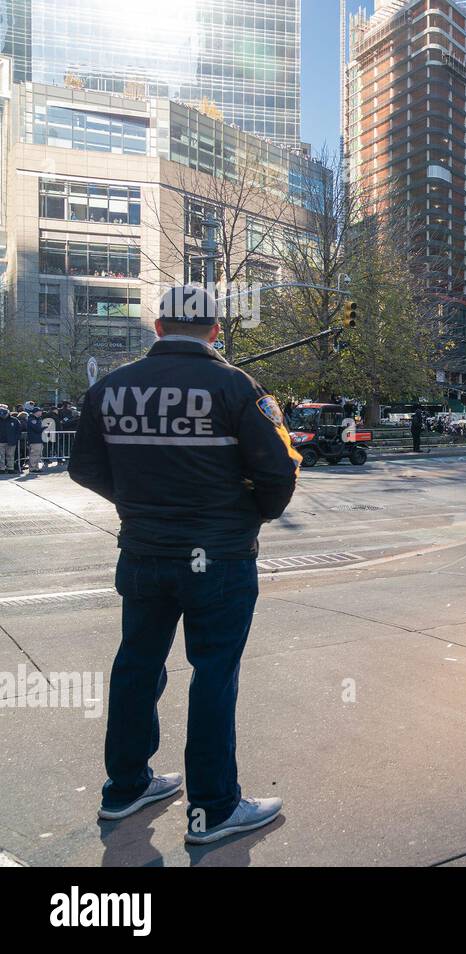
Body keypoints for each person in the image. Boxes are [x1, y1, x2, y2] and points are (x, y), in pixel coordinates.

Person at [68, 283, 301, 845]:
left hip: (144, 551)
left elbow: (83, 469)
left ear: (158, 327)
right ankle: (214, 809)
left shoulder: (109, 388)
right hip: (218, 556)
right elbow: (278, 472)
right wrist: (246, 518)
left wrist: (138, 505)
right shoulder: (236, 386)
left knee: (136, 667)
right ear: (216, 331)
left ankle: (125, 787)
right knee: (214, 674)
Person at [22, 403, 47, 476]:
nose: (41, 412)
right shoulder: (32, 420)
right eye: (40, 411)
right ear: (36, 412)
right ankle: (32, 468)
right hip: (34, 439)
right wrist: (44, 427)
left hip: (38, 439)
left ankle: (36, 467)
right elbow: (37, 429)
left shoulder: (37, 419)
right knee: (34, 454)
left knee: (38, 455)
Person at [0, 405, 19, 475]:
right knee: (1, 456)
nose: (3, 416)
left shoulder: (14, 420)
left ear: (8, 413)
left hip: (11, 441)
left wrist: (16, 438)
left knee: (10, 456)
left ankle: (10, 468)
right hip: (1, 441)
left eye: (4, 414)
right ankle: (1, 469)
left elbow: (18, 430)